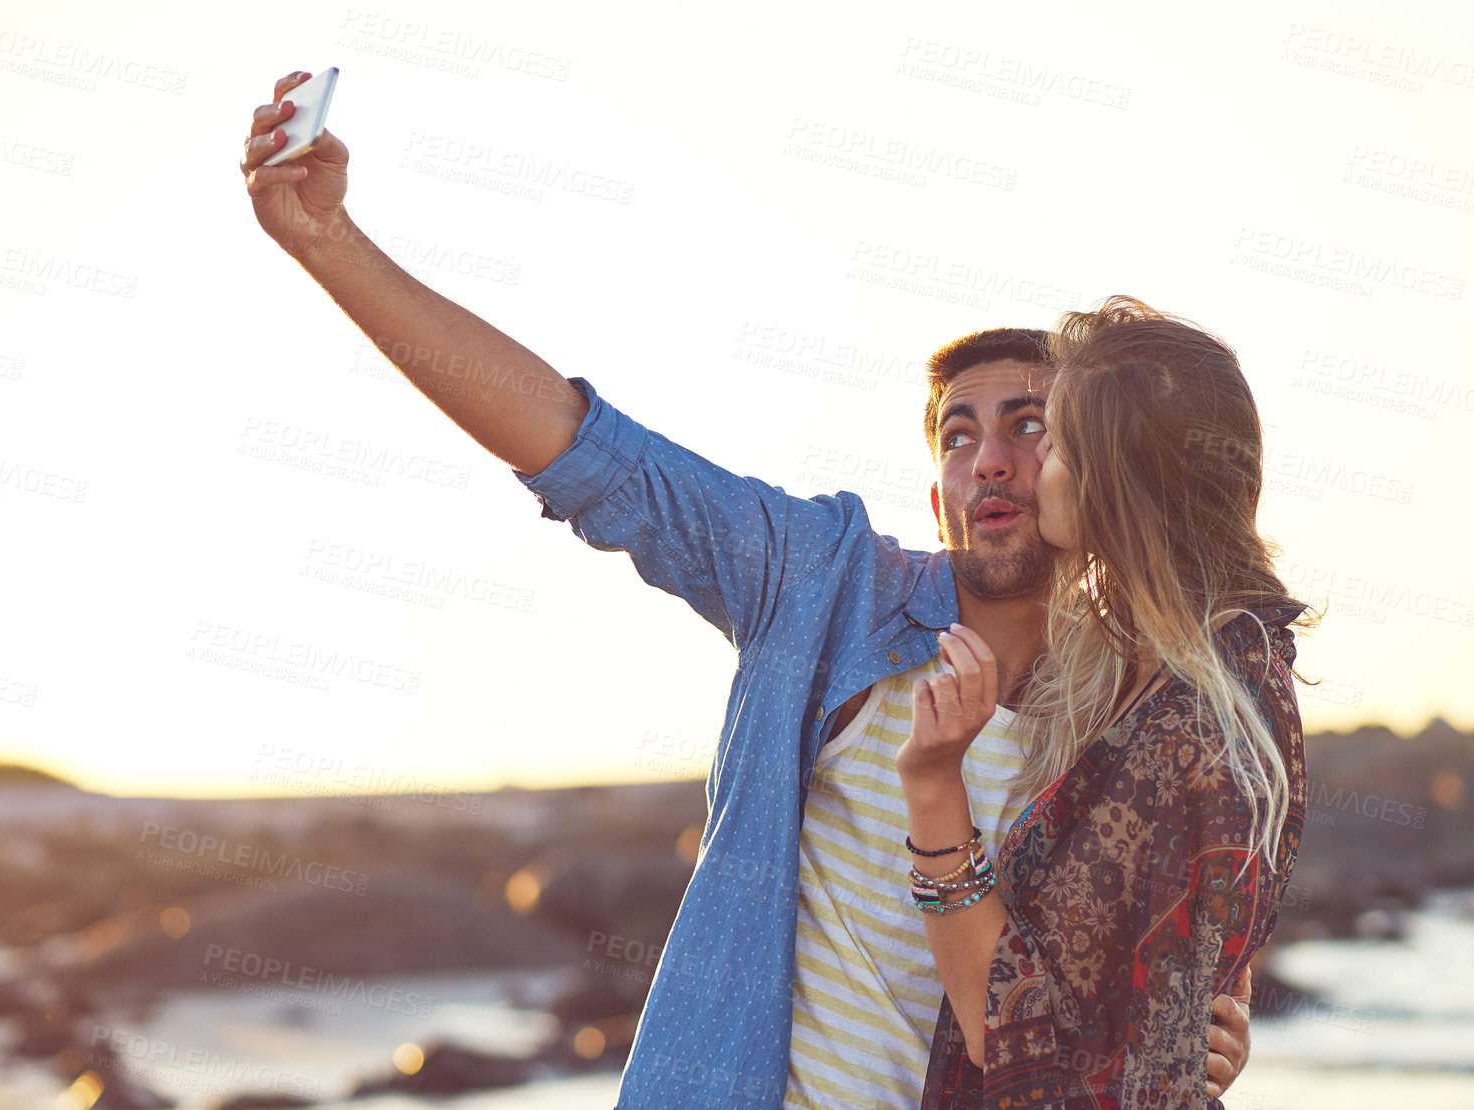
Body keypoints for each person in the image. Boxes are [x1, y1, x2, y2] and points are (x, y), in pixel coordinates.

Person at [238, 73, 1257, 1109]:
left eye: (1028, 425)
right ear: (936, 485)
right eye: (958, 435)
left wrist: (1196, 1031)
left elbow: (1159, 962)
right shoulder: (824, 583)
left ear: (1088, 459)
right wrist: (330, 242)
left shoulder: (1141, 707)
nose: (988, 459)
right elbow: (590, 453)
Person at [898, 298, 1313, 1107]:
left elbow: (1013, 1039)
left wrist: (934, 787)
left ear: (1114, 476)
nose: (1025, 462)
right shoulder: (1172, 674)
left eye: (1051, 439)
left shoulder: (1193, 723)